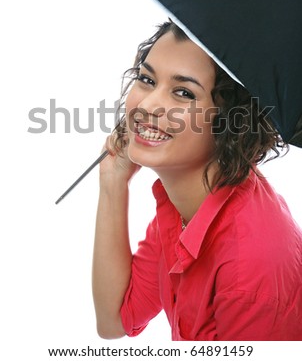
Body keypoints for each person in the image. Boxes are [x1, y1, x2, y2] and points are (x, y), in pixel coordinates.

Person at [92, 20, 302, 341]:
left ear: (230, 121)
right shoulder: (184, 207)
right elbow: (114, 321)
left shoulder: (249, 269)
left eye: (183, 92)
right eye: (147, 79)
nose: (147, 105)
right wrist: (112, 182)